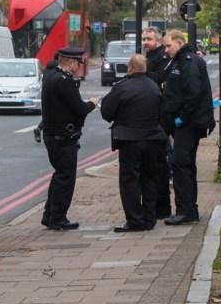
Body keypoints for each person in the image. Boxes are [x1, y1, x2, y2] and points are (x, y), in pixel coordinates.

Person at [100, 54, 167, 232]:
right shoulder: (154, 87)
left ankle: (135, 220)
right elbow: (162, 113)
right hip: (153, 138)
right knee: (150, 179)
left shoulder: (122, 88)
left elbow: (106, 112)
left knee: (130, 181)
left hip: (130, 140)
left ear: (129, 69)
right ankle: (150, 219)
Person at [39, 46, 98, 231]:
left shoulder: (50, 75)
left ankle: (49, 215)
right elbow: (79, 108)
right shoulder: (63, 81)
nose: (80, 67)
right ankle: (58, 218)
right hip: (63, 137)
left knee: (59, 175)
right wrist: (92, 103)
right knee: (65, 178)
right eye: (79, 63)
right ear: (72, 63)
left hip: (53, 135)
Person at [161, 29, 215, 225]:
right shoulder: (178, 61)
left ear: (179, 42)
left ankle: (185, 210)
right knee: (185, 164)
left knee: (180, 164)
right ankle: (189, 209)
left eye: (168, 45)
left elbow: (193, 92)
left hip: (189, 124)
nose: (165, 50)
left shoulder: (189, 62)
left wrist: (182, 118)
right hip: (185, 123)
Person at [141, 27, 173, 219]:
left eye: (149, 39)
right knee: (157, 164)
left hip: (160, 117)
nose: (145, 42)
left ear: (158, 42)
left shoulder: (161, 60)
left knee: (159, 165)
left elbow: (160, 84)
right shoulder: (149, 58)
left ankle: (161, 208)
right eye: (144, 39)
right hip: (152, 117)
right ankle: (159, 208)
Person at [34, 57, 58, 144]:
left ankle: (39, 128)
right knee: (54, 116)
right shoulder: (58, 70)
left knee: (47, 115)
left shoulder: (47, 70)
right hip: (55, 97)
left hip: (45, 96)